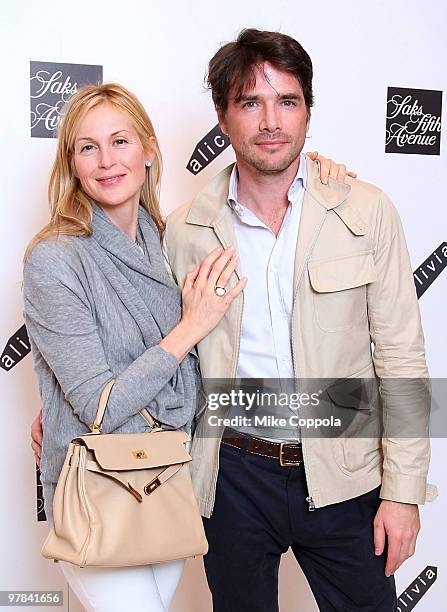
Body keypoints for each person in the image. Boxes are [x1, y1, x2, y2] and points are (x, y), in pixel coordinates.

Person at [26, 82, 344, 611]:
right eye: (88, 147)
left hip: (167, 481)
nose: (107, 161)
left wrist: (318, 173)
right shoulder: (55, 259)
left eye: (121, 141)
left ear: (149, 149)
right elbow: (100, 406)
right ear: (72, 165)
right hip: (98, 492)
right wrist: (189, 327)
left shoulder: (167, 237)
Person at [159, 29, 433, 612]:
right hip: (233, 476)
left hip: (347, 472)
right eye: (250, 103)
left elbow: (402, 359)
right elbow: (160, 351)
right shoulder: (185, 229)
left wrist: (404, 493)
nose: (271, 122)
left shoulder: (365, 210)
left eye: (288, 101)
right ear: (223, 117)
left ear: (309, 112)